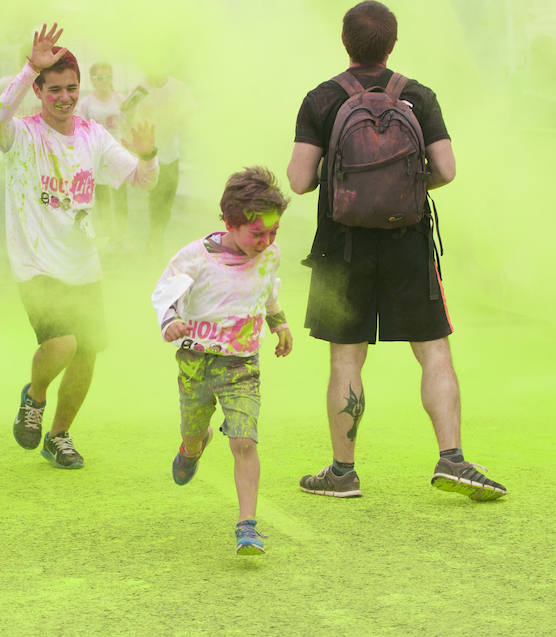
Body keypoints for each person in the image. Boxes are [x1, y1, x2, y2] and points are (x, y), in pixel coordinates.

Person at [286, 1, 506, 501]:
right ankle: (452, 458)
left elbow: (299, 180)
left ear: (345, 43)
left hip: (341, 246)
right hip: (409, 242)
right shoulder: (418, 96)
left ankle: (343, 473)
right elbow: (446, 171)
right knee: (433, 352)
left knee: (346, 360)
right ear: (393, 43)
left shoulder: (322, 99)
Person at [0, 23, 158, 469]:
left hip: (85, 265)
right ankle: (34, 396)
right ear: (39, 93)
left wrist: (148, 154)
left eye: (71, 88)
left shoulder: (92, 136)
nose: (64, 97)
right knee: (62, 344)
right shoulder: (21, 135)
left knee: (87, 352)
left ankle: (59, 436)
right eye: (54, 89)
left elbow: (143, 180)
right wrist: (30, 67)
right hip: (36, 263)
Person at [152, 166, 292, 555]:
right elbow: (166, 294)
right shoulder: (195, 258)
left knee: (244, 440)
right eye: (257, 233)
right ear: (231, 223)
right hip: (196, 365)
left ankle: (247, 525)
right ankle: (193, 448)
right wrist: (171, 322)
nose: (266, 241)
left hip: (242, 368)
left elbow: (268, 294)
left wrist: (280, 325)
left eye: (273, 232)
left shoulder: (269, 256)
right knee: (192, 432)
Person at [122, 71, 193, 256]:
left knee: (168, 199)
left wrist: (178, 116)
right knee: (155, 199)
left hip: (172, 153)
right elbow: (129, 120)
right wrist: (128, 113)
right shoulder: (139, 89)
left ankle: (157, 236)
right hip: (151, 155)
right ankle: (156, 239)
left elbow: (189, 118)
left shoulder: (178, 88)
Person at [76, 62, 128, 246]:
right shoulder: (86, 103)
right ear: (92, 80)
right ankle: (108, 237)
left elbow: (130, 124)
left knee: (121, 197)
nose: (104, 81)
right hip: (98, 159)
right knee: (103, 197)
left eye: (107, 77)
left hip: (118, 157)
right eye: (99, 78)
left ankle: (121, 235)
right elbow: (80, 133)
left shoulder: (121, 100)